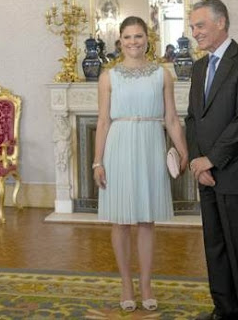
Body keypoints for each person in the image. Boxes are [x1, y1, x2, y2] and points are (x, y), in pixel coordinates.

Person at [93, 16, 188, 312]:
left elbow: (171, 118)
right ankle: (126, 284)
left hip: (150, 142)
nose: (133, 42)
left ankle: (146, 284)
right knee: (120, 220)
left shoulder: (163, 74)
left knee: (147, 220)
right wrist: (97, 161)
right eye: (128, 37)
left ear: (148, 39)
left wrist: (184, 151)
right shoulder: (108, 76)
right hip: (118, 145)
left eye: (138, 36)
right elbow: (103, 120)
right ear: (119, 41)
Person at [185, 0, 238, 320]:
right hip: (206, 174)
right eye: (192, 27)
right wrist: (197, 161)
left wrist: (213, 160)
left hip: (236, 171)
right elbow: (193, 118)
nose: (195, 33)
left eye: (200, 25)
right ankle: (225, 308)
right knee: (215, 246)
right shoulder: (198, 67)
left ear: (221, 23)